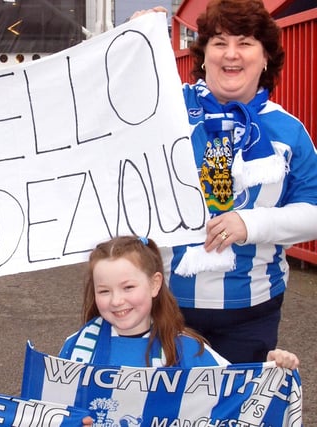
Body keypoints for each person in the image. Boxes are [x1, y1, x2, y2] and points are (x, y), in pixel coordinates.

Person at [132, 0, 317, 364]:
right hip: (164, 306)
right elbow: (115, 105)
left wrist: (251, 223)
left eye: (245, 42)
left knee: (234, 416)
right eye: (219, 42)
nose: (231, 53)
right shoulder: (165, 108)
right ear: (203, 55)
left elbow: (313, 211)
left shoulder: (289, 131)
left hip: (252, 311)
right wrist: (139, 44)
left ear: (265, 58)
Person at [60, 236, 300, 369]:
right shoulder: (77, 347)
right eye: (104, 291)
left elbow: (238, 392)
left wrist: (273, 370)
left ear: (155, 284)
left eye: (128, 287)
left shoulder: (189, 350)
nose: (116, 300)